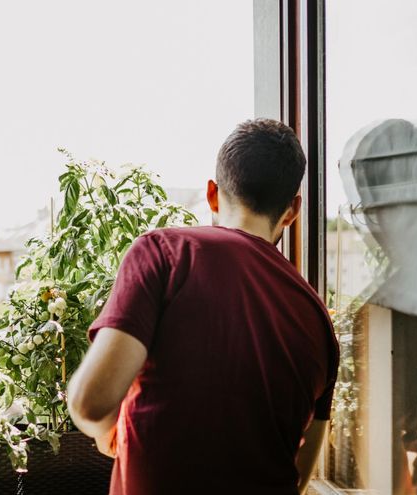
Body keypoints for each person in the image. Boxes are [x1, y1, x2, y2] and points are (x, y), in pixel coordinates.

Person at [67, 119, 339, 495]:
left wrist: (111, 434)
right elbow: (298, 478)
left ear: (213, 194)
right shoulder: (319, 321)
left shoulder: (165, 253)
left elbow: (90, 404)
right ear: (292, 211)